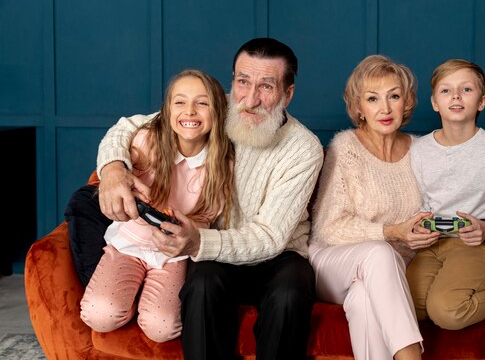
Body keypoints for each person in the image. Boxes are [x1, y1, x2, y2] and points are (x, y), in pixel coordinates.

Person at [70, 38, 324, 360]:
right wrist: (113, 169)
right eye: (243, 82)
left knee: (290, 293)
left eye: (267, 86)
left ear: (288, 94)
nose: (251, 98)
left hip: (277, 253)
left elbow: (271, 236)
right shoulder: (216, 107)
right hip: (212, 248)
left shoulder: (304, 148)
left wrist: (197, 243)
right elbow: (130, 127)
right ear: (232, 80)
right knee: (202, 284)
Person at [79, 69, 234, 342]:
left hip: (174, 254)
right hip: (131, 242)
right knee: (99, 314)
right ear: (166, 109)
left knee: (162, 328)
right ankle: (128, 293)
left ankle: (145, 296)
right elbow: (117, 141)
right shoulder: (145, 139)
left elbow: (211, 212)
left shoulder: (223, 162)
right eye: (180, 102)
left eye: (202, 103)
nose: (190, 111)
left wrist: (187, 230)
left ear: (218, 111)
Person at [309, 55, 430, 360]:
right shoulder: (345, 148)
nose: (385, 108)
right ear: (359, 108)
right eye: (373, 99)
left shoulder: (423, 151)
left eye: (394, 96)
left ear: (407, 102)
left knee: (364, 299)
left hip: (387, 274)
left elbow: (455, 196)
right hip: (331, 262)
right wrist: (392, 232)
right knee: (380, 251)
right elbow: (328, 228)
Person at [406, 58, 485, 331]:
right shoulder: (418, 150)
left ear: (482, 101)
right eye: (446, 90)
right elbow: (418, 202)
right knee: (409, 307)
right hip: (434, 244)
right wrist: (417, 227)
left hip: (482, 246)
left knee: (447, 312)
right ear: (434, 102)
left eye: (466, 89)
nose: (455, 95)